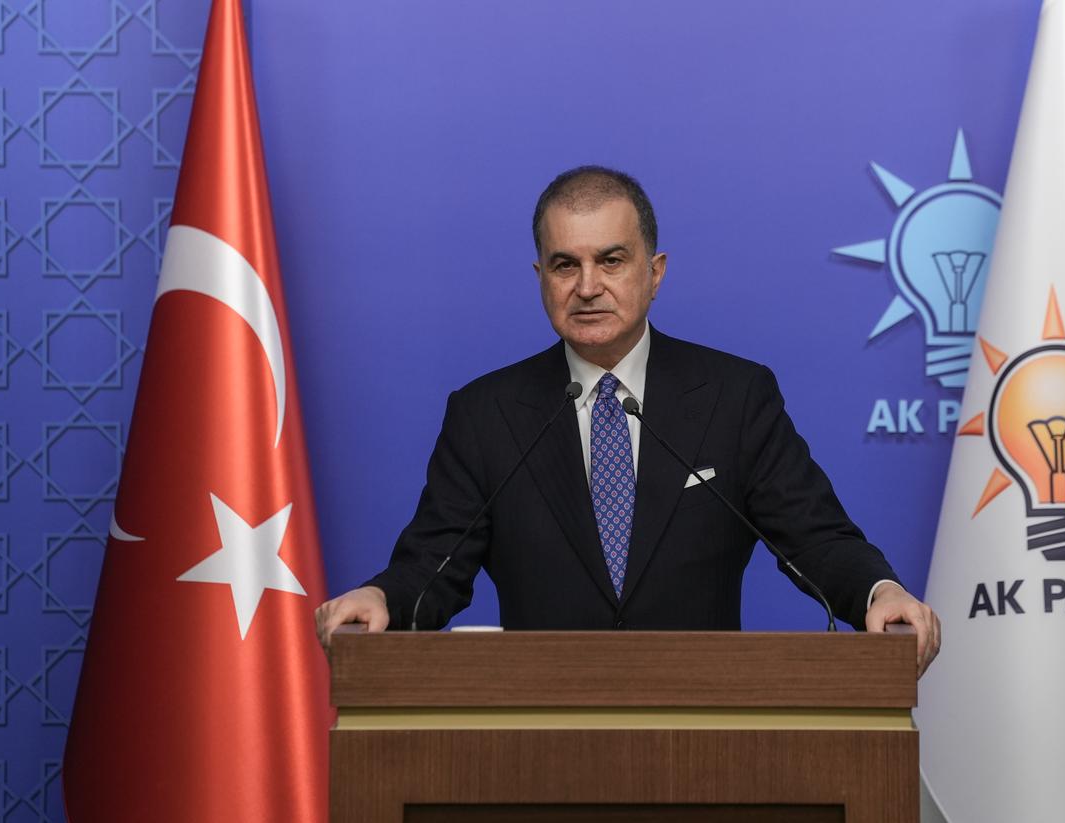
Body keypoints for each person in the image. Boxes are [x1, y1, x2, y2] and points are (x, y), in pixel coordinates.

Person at [315, 166, 941, 674]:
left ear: (654, 272)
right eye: (565, 265)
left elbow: (816, 539)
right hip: (535, 738)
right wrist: (382, 600)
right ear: (541, 279)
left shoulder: (735, 396)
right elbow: (432, 567)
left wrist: (876, 592)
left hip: (707, 734)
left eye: (611, 260)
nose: (587, 286)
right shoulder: (487, 414)